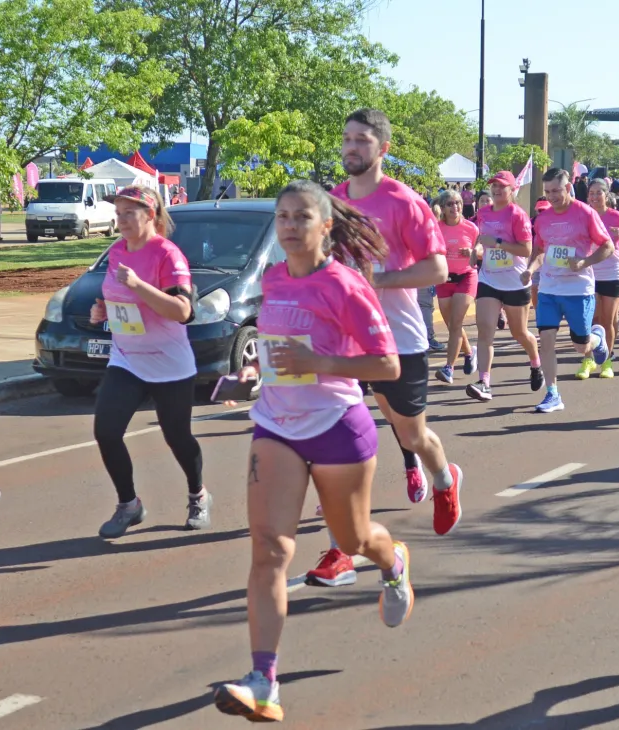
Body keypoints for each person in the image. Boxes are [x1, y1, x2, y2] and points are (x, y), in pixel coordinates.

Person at [212, 180, 412, 723]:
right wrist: (254, 371)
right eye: (282, 217)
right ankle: (263, 682)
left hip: (336, 425)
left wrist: (319, 365)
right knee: (269, 552)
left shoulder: (345, 285)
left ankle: (392, 561)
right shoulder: (275, 279)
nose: (290, 226)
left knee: (352, 538)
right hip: (275, 425)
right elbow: (280, 350)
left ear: (325, 226)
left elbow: (387, 366)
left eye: (302, 217)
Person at [328, 108, 462, 561]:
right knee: (337, 438)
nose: (351, 146)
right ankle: (339, 546)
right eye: (347, 138)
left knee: (410, 436)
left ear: (383, 148)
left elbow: (438, 268)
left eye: (362, 140)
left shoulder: (404, 201)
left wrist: (376, 281)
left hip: (397, 339)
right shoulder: (332, 201)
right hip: (344, 340)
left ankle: (445, 480)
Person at [90, 185, 206, 538]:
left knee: (177, 438)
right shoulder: (116, 251)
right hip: (127, 359)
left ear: (150, 215)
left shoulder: (167, 255)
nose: (120, 219)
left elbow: (183, 311)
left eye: (129, 213)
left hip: (169, 362)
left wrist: (139, 286)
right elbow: (117, 298)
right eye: (118, 213)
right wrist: (104, 309)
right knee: (106, 431)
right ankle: (129, 505)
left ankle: (198, 495)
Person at [524, 168, 613, 413]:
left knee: (581, 347)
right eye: (547, 191)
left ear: (568, 188)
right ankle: (552, 394)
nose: (551, 196)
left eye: (556, 191)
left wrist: (585, 262)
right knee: (546, 342)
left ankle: (597, 337)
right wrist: (530, 270)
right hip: (549, 289)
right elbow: (540, 251)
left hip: (578, 289)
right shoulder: (542, 219)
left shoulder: (585, 214)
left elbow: (608, 246)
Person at [465, 171, 543, 402]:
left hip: (514, 282)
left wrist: (498, 243)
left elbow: (526, 250)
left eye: (501, 186)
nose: (497, 190)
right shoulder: (483, 213)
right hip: (489, 279)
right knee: (485, 331)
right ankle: (484, 382)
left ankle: (536, 363)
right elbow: (482, 242)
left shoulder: (517, 215)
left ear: (512, 190)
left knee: (519, 332)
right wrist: (477, 251)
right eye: (494, 186)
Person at [586, 181, 619, 379]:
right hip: (590, 273)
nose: (595, 197)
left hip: (613, 273)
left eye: (599, 193)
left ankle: (606, 361)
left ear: (607, 196)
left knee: (607, 320)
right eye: (592, 193)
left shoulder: (617, 217)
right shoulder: (584, 215)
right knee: (592, 319)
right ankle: (589, 359)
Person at [433, 190, 476, 385]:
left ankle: (448, 368)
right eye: (450, 204)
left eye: (458, 203)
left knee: (456, 323)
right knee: (452, 325)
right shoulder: (436, 228)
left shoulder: (471, 228)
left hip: (466, 277)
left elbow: (481, 253)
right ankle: (469, 352)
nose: (455, 207)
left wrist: (473, 252)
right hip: (443, 279)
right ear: (442, 208)